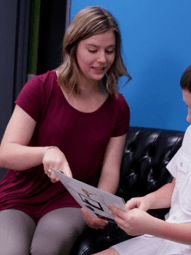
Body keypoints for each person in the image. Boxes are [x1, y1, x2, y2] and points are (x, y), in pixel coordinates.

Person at [94, 50, 191, 255]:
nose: (189, 117)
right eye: (188, 107)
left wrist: (150, 225)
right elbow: (176, 187)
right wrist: (147, 201)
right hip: (168, 240)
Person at [0, 6, 131, 255]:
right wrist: (46, 152)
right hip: (21, 195)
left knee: (46, 249)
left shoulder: (118, 106)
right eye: (93, 50)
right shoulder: (40, 87)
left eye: (110, 51)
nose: (102, 59)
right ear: (73, 47)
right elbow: (5, 153)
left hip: (71, 198)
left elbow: (110, 170)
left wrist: (97, 207)